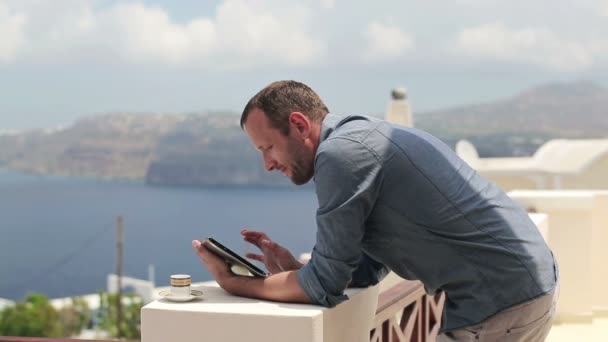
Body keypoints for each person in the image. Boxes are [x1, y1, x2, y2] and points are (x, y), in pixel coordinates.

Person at [192, 80, 559, 341]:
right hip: (521, 285)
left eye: (267, 147)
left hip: (500, 301)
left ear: (300, 125)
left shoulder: (341, 156)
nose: (267, 164)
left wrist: (235, 282)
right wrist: (295, 269)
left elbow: (326, 288)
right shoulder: (361, 138)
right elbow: (364, 269)